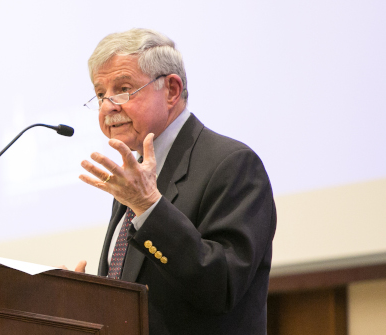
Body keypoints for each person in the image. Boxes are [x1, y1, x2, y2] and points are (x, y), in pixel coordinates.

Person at [77, 28, 276, 334]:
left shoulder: (233, 164)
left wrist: (149, 207)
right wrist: (77, 295)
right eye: (101, 94)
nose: (107, 106)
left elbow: (222, 286)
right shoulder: (137, 177)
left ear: (171, 90)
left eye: (123, 89)